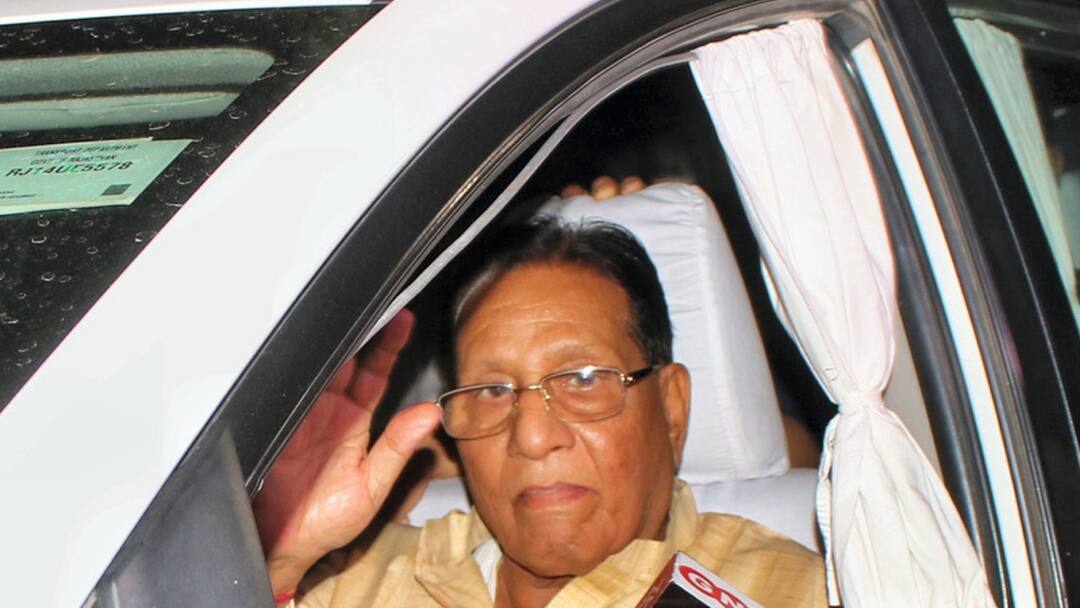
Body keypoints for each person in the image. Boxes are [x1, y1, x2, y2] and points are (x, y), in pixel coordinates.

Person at [253, 199, 826, 607]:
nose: (530, 436)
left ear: (672, 408)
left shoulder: (799, 590)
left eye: (582, 379)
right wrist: (278, 557)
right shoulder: (352, 581)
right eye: (491, 391)